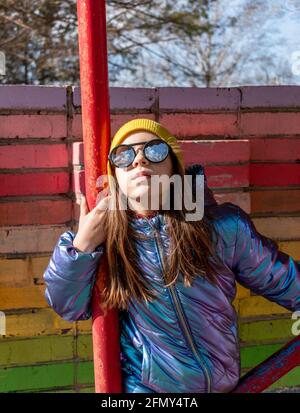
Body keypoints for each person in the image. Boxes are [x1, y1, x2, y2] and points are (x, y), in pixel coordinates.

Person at [43, 118, 300, 393]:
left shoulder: (223, 228)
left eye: (154, 150)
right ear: (115, 177)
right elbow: (66, 305)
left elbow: (284, 282)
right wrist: (82, 244)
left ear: (174, 169)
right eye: (124, 155)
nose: (139, 160)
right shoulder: (109, 243)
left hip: (224, 387)